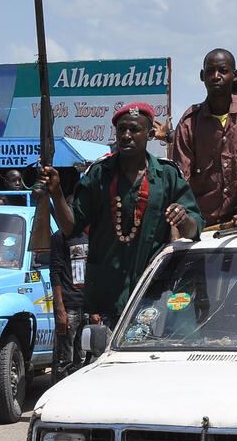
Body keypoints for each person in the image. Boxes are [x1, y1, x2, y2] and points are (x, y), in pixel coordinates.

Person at [39, 102, 204, 324]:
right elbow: (70, 227)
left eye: (134, 129)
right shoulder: (99, 174)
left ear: (149, 134)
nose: (126, 135)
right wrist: (56, 191)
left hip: (154, 295)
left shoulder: (168, 175)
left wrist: (183, 219)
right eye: (121, 129)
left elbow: (195, 229)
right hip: (108, 302)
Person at [169, 48, 237, 224]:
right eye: (210, 71)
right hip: (204, 226)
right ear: (202, 76)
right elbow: (180, 181)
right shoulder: (189, 124)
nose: (216, 76)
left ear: (235, 75)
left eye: (223, 71)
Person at [49, 225, 88, 383]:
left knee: (83, 359)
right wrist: (60, 310)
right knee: (64, 360)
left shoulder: (90, 235)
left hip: (86, 305)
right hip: (68, 306)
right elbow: (55, 273)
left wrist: (95, 310)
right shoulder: (60, 237)